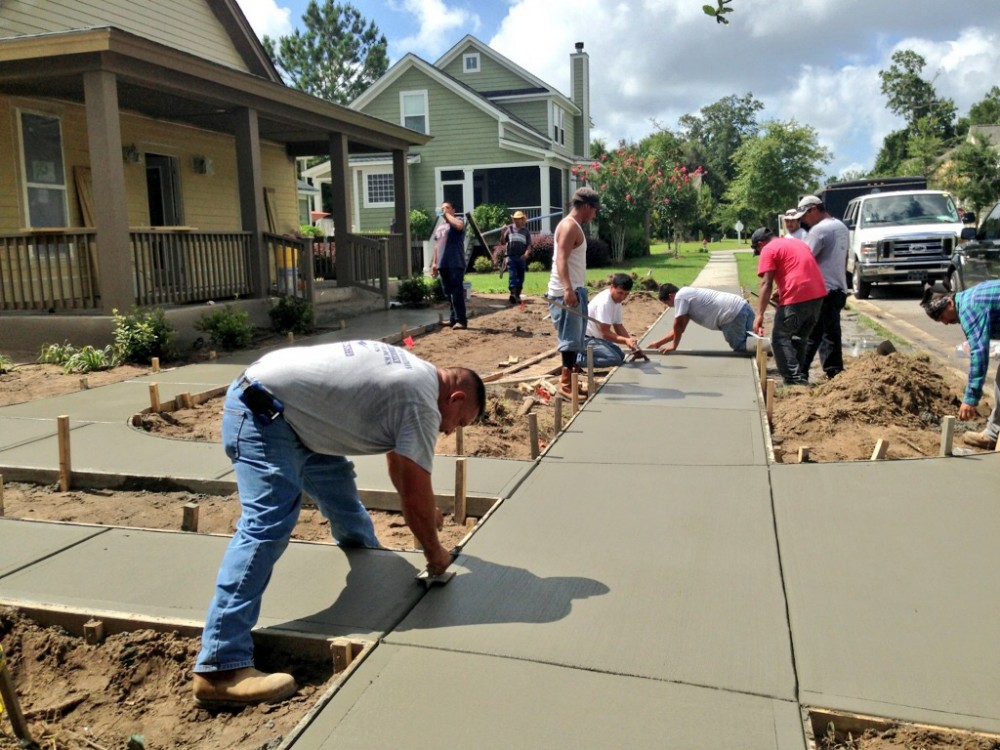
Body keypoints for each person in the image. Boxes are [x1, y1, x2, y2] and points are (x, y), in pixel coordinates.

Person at [192, 340, 485, 707]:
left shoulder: (416, 375)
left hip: (296, 416)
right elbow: (413, 493)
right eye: (459, 422)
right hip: (264, 414)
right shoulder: (421, 401)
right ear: (455, 397)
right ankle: (219, 666)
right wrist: (435, 552)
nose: (449, 431)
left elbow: (401, 467)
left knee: (342, 498)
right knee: (269, 523)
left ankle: (367, 562)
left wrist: (424, 515)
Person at [922, 281, 1000, 449]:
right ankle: (993, 433)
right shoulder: (969, 299)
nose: (945, 323)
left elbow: (979, 353)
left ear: (950, 303)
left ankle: (993, 434)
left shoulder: (969, 309)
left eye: (943, 317)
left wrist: (971, 398)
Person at [751, 227, 827, 386]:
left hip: (797, 297)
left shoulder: (768, 249)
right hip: (817, 295)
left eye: (757, 250)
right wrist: (782, 289)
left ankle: (793, 381)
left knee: (780, 337)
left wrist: (759, 315)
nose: (759, 254)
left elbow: (766, 283)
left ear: (760, 244)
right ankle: (798, 377)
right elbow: (799, 268)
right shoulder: (796, 243)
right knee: (800, 337)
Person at [547, 186, 601, 400]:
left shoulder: (573, 226)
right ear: (586, 206)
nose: (595, 214)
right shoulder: (569, 226)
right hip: (565, 291)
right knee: (569, 340)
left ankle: (573, 380)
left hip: (574, 288)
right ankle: (565, 384)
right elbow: (561, 259)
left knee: (576, 339)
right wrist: (568, 289)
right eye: (594, 210)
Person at [796, 195, 850, 379]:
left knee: (811, 333)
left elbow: (805, 260)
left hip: (822, 290)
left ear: (814, 209)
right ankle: (834, 372)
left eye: (805, 215)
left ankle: (800, 373)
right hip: (838, 288)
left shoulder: (819, 231)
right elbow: (844, 258)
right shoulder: (841, 227)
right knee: (830, 333)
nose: (803, 220)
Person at [652, 283, 758, 354]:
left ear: (671, 296)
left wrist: (673, 346)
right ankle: (768, 347)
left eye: (666, 303)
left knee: (740, 346)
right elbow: (680, 330)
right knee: (751, 342)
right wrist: (658, 344)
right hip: (742, 306)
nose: (669, 306)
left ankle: (772, 348)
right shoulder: (688, 295)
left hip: (731, 313)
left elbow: (677, 325)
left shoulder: (680, 297)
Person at [578, 273, 638, 367]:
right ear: (612, 287)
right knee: (614, 359)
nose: (622, 297)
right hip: (584, 339)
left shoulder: (616, 301)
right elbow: (605, 333)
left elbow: (618, 326)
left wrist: (633, 347)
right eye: (620, 293)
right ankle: (577, 359)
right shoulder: (604, 303)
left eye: (626, 294)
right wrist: (626, 341)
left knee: (621, 356)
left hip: (597, 338)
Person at [430, 202, 468, 329]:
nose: (443, 210)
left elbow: (458, 226)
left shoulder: (458, 220)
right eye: (442, 208)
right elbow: (436, 246)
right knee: (448, 293)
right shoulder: (440, 227)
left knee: (457, 292)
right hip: (443, 263)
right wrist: (434, 263)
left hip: (455, 262)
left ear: (453, 210)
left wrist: (446, 215)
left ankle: (461, 321)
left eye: (447, 208)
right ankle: (453, 319)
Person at [501, 210, 532, 305]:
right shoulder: (509, 230)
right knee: (512, 275)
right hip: (511, 256)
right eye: (515, 219)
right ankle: (513, 293)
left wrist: (526, 254)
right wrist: (502, 233)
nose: (517, 221)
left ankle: (517, 294)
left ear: (523, 220)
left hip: (521, 257)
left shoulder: (526, 232)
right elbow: (503, 242)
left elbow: (529, 245)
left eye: (519, 219)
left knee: (520, 277)